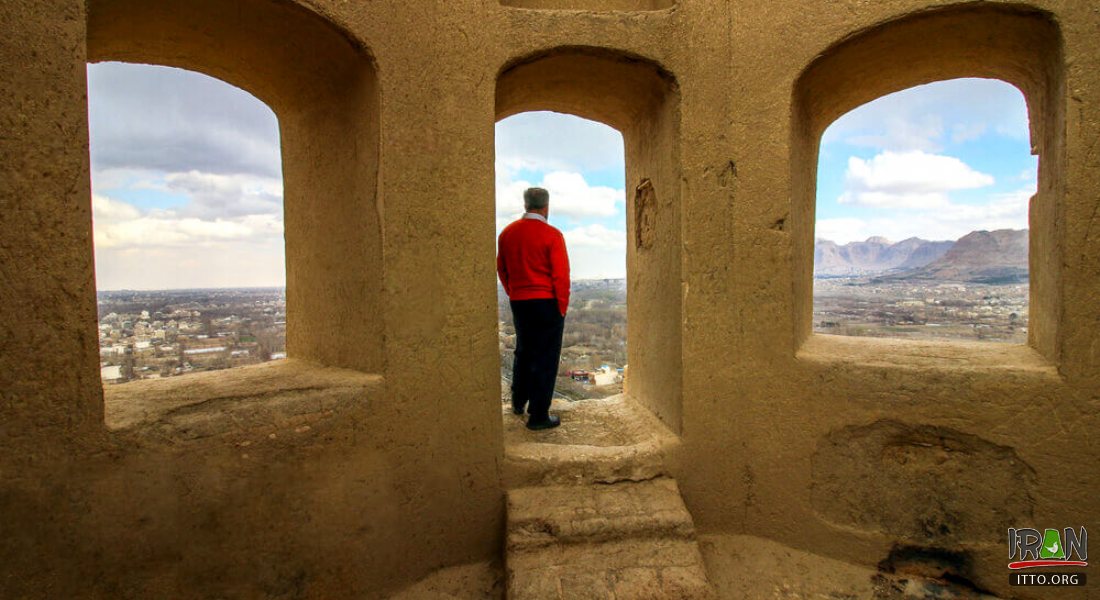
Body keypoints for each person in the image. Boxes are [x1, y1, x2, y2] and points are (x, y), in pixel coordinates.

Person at [497, 187, 570, 431]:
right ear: (546, 207)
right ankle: (538, 415)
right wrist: (561, 307)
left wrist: (514, 292)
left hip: (520, 301)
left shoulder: (507, 234)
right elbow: (561, 276)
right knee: (546, 358)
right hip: (547, 302)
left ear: (526, 204)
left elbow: (502, 269)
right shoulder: (552, 235)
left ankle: (518, 401)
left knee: (524, 351)